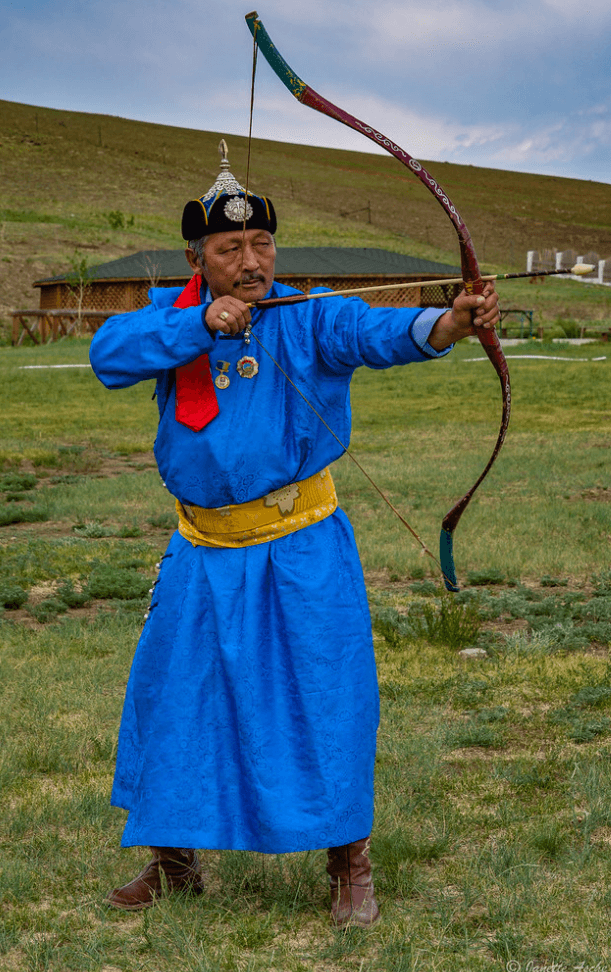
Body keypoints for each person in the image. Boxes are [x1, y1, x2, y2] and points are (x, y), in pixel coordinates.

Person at [89, 146, 499, 927]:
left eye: (261, 245)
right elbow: (108, 354)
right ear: (197, 257)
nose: (250, 262)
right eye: (229, 249)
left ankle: (350, 867)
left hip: (300, 545)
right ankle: (175, 862)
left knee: (325, 695)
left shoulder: (310, 317)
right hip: (202, 550)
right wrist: (199, 325)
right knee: (176, 697)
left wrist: (449, 321)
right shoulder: (168, 321)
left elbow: (382, 332)